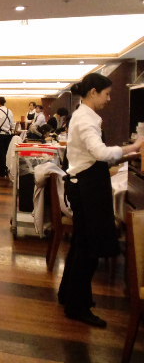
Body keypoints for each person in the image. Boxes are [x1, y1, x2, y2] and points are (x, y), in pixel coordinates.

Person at [57, 73, 144, 327]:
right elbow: (100, 153)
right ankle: (77, 307)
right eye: (106, 94)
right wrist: (133, 147)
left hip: (84, 183)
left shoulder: (83, 115)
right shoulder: (85, 119)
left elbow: (95, 154)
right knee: (89, 247)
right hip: (88, 187)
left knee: (81, 243)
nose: (109, 99)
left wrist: (125, 154)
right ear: (93, 92)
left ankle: (70, 295)